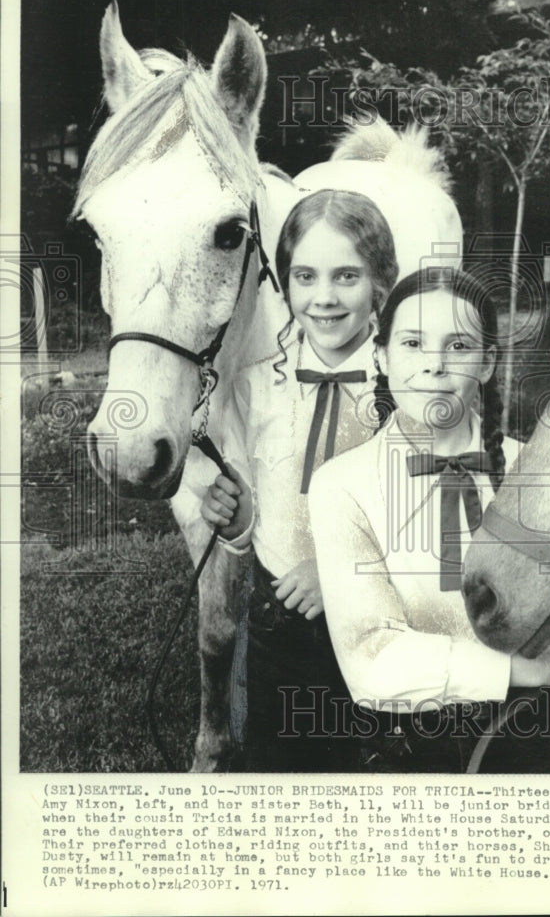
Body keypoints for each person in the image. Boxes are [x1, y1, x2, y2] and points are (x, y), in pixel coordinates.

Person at [308, 267, 550, 773]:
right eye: (413, 343)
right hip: (415, 753)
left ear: (487, 363)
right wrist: (533, 669)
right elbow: (372, 660)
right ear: (381, 355)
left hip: (541, 745)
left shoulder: (536, 473)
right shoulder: (341, 485)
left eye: (458, 346)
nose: (434, 366)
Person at [200, 188, 398, 772]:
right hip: (278, 629)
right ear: (283, 285)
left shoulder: (410, 390)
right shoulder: (254, 388)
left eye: (347, 276)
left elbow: (429, 523)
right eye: (305, 276)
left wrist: (339, 572)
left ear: (381, 283)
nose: (325, 297)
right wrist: (237, 521)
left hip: (380, 627)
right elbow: (256, 516)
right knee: (278, 766)